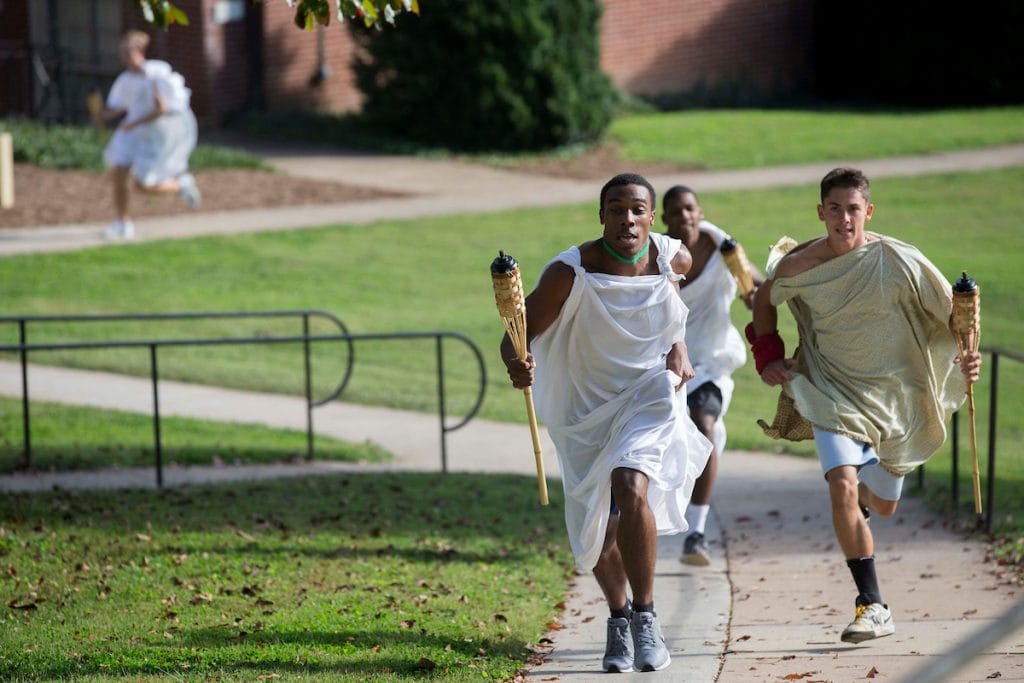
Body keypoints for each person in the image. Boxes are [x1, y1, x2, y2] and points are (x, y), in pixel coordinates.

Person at [749, 167, 982, 644]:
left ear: (868, 212)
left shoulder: (899, 259)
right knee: (842, 488)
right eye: (833, 209)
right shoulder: (798, 265)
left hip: (896, 399)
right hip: (830, 390)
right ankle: (872, 604)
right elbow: (762, 300)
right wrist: (768, 354)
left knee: (881, 506)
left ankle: (867, 502)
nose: (843, 218)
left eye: (853, 209)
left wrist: (967, 357)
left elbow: (953, 314)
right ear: (820, 212)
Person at [501, 173, 712, 673]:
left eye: (637, 209)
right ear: (601, 216)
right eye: (616, 209)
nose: (627, 219)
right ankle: (617, 618)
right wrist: (517, 362)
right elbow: (516, 335)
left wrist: (677, 342)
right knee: (594, 530)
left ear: (652, 218)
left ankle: (645, 616)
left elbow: (677, 297)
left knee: (631, 484)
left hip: (648, 393)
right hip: (585, 409)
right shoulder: (568, 274)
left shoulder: (671, 257)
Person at [661, 185, 763, 566]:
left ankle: (696, 533)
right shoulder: (657, 256)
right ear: (665, 218)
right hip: (665, 363)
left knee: (704, 425)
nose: (684, 216)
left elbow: (755, 283)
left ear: (699, 212)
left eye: (689, 208)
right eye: (675, 211)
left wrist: (755, 296)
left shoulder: (725, 248)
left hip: (712, 363)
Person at [101, 30, 200, 240]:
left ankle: (181, 184)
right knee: (118, 171)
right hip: (133, 132)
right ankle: (122, 222)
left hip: (154, 134)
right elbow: (120, 106)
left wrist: (132, 124)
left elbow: (160, 110)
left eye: (128, 51)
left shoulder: (154, 74)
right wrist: (103, 115)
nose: (124, 56)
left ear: (139, 51)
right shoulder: (125, 79)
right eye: (122, 52)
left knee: (142, 185)